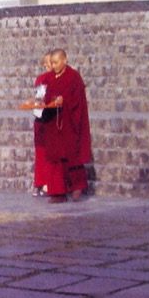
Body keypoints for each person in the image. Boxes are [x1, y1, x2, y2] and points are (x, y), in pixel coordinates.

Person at [37, 49, 92, 203]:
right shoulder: (49, 77)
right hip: (52, 123)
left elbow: (78, 101)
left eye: (56, 63)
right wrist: (38, 101)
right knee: (54, 158)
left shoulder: (74, 77)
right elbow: (44, 96)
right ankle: (58, 193)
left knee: (71, 156)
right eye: (51, 63)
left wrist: (64, 100)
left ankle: (77, 186)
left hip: (68, 123)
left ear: (64, 60)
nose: (53, 66)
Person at [31, 51, 54, 197]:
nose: (47, 65)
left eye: (50, 62)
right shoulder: (42, 78)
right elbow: (38, 96)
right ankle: (40, 182)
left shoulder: (60, 78)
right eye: (45, 62)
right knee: (40, 152)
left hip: (53, 118)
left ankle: (48, 183)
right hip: (41, 116)